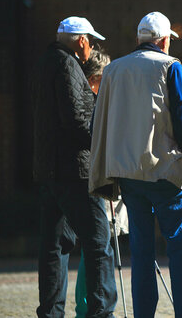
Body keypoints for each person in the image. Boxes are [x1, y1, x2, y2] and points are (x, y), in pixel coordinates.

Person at [89, 11, 182, 318]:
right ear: (164, 41)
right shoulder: (170, 66)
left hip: (128, 173)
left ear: (139, 39)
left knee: (141, 253)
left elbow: (101, 120)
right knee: (180, 249)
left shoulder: (114, 70)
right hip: (165, 170)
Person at [32, 16, 117, 318]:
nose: (92, 48)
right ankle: (101, 312)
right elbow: (78, 120)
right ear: (82, 41)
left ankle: (51, 312)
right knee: (98, 244)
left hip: (51, 170)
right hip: (75, 171)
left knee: (54, 248)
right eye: (91, 42)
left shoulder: (46, 62)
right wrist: (106, 144)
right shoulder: (68, 65)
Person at [75, 48, 113, 318]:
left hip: (92, 175)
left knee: (94, 244)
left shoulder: (91, 98)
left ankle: (84, 307)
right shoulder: (89, 101)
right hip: (91, 177)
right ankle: (91, 308)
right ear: (94, 78)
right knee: (99, 243)